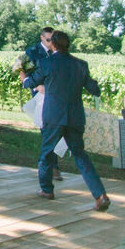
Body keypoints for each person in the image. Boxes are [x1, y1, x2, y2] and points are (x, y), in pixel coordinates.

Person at [21, 30, 111, 211]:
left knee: (47, 152)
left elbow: (32, 82)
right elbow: (95, 89)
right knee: (81, 156)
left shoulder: (47, 63)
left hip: (53, 116)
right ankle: (100, 194)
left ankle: (47, 190)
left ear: (53, 45)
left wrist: (24, 79)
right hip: (75, 117)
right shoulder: (81, 65)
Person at [24, 27, 62, 181]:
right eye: (48, 40)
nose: (51, 43)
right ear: (41, 38)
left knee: (55, 131)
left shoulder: (58, 52)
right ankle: (51, 167)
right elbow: (23, 72)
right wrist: (36, 86)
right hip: (40, 97)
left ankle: (49, 165)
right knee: (47, 131)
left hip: (56, 97)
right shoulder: (32, 52)